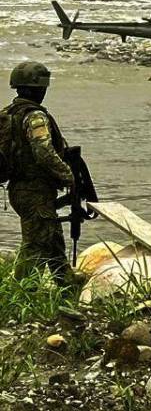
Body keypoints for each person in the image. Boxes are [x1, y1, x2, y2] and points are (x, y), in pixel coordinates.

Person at [2, 62, 73, 281]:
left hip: (18, 188)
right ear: (38, 89)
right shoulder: (35, 117)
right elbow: (44, 152)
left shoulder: (8, 113)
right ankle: (24, 290)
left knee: (52, 240)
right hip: (35, 191)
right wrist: (67, 175)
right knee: (35, 246)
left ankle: (67, 285)